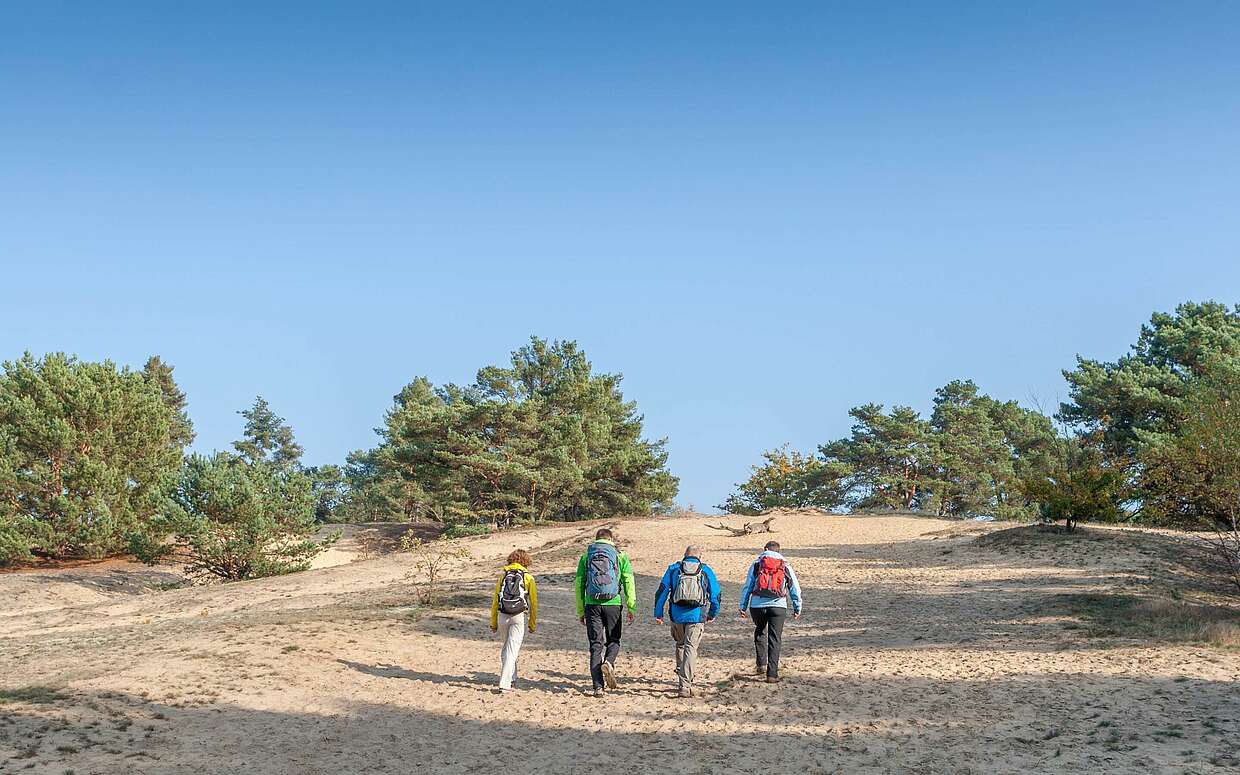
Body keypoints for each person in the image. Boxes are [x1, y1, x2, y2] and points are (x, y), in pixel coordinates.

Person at [575, 527, 637, 697]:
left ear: (596, 539)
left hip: (591, 604)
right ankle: (609, 662)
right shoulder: (620, 555)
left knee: (595, 645)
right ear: (611, 539)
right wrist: (631, 606)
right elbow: (628, 581)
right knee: (614, 640)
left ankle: (597, 687)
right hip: (613, 603)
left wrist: (581, 610)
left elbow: (579, 584)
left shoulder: (586, 556)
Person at [653, 545, 721, 698]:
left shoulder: (674, 569)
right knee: (691, 648)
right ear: (700, 556)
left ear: (685, 555)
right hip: (697, 615)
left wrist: (658, 614)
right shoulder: (705, 570)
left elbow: (662, 591)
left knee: (680, 644)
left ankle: (681, 673)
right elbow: (716, 594)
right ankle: (685, 685)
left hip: (677, 615)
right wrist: (712, 613)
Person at [738, 540, 802, 683]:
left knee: (760, 630)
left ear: (765, 549)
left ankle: (761, 664)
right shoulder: (784, 565)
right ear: (779, 551)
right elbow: (794, 588)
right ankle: (772, 675)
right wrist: (797, 607)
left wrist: (742, 606)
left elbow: (748, 586)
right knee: (775, 638)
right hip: (778, 606)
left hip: (757, 606)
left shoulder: (756, 564)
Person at [490, 549, 538, 692]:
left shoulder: (503, 575)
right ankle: (505, 683)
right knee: (512, 649)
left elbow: (495, 600)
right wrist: (532, 623)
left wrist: (493, 622)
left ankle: (512, 678)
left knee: (507, 648)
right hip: (519, 615)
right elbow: (534, 603)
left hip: (502, 615)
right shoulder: (528, 577)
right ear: (526, 561)